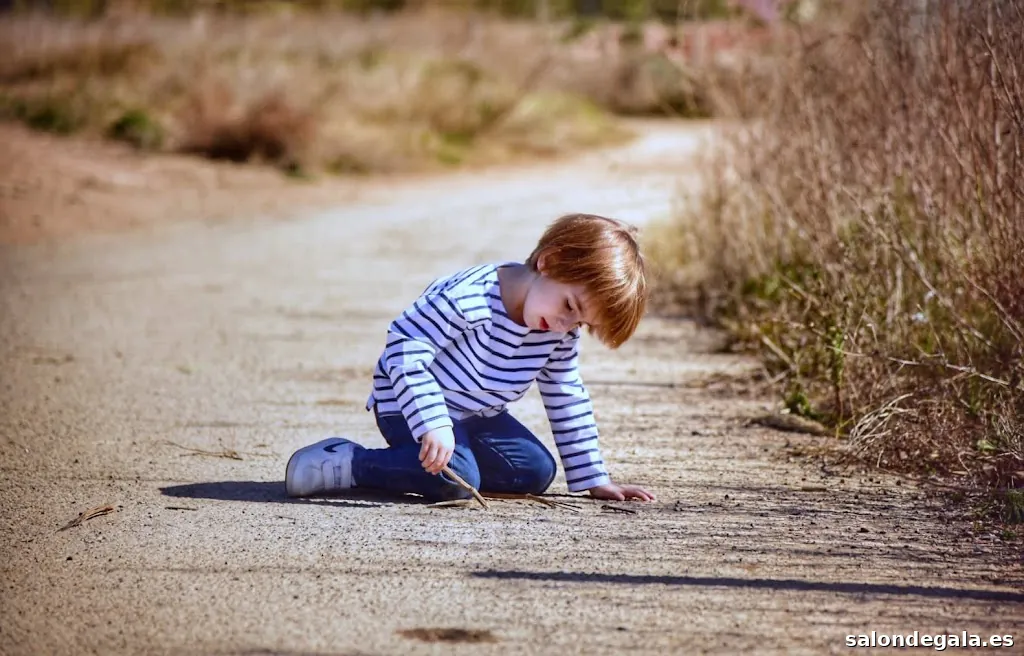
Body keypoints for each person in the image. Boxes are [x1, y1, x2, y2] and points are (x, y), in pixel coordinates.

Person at [285, 213, 656, 503]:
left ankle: (432, 468)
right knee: (456, 478)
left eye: (580, 322)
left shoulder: (559, 332)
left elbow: (566, 393)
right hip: (409, 406)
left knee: (535, 472)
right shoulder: (469, 298)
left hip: (477, 415)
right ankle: (352, 463)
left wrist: (595, 478)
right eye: (569, 306)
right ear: (549, 261)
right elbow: (404, 350)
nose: (565, 324)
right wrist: (433, 423)